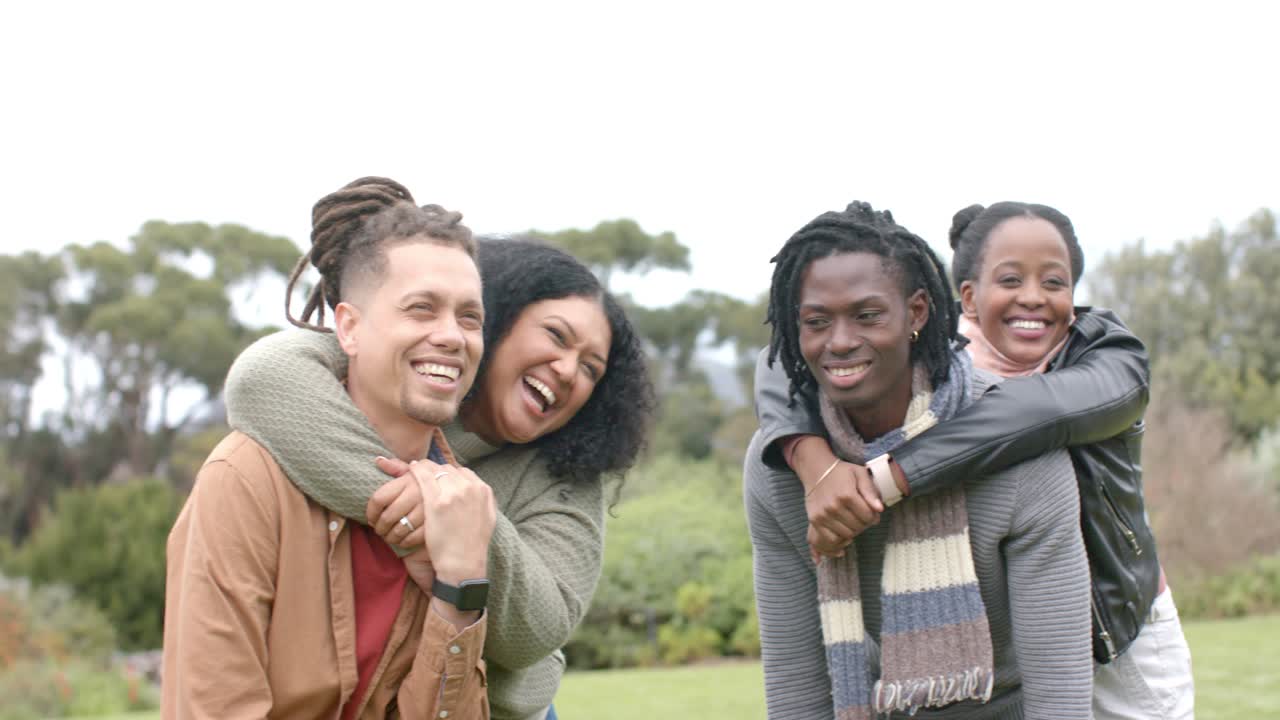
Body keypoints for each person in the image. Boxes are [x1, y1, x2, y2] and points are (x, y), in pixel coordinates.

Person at [759, 202, 1193, 718]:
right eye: (1010, 280)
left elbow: (1026, 415)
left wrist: (889, 476)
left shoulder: (1107, 359)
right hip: (1013, 634)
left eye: (1054, 283)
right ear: (967, 298)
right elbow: (784, 366)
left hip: (1117, 631)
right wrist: (812, 461)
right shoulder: (943, 353)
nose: (1032, 297)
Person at [221, 236, 655, 720]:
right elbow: (262, 380)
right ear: (496, 317)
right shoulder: (394, 367)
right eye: (556, 336)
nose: (568, 369)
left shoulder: (567, 475)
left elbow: (536, 629)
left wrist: (469, 525)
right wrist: (434, 509)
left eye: (591, 369)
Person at [163, 177, 495, 719]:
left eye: (469, 316)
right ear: (349, 329)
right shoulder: (247, 479)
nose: (452, 336)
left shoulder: (459, 510)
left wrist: (460, 585)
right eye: (421, 309)